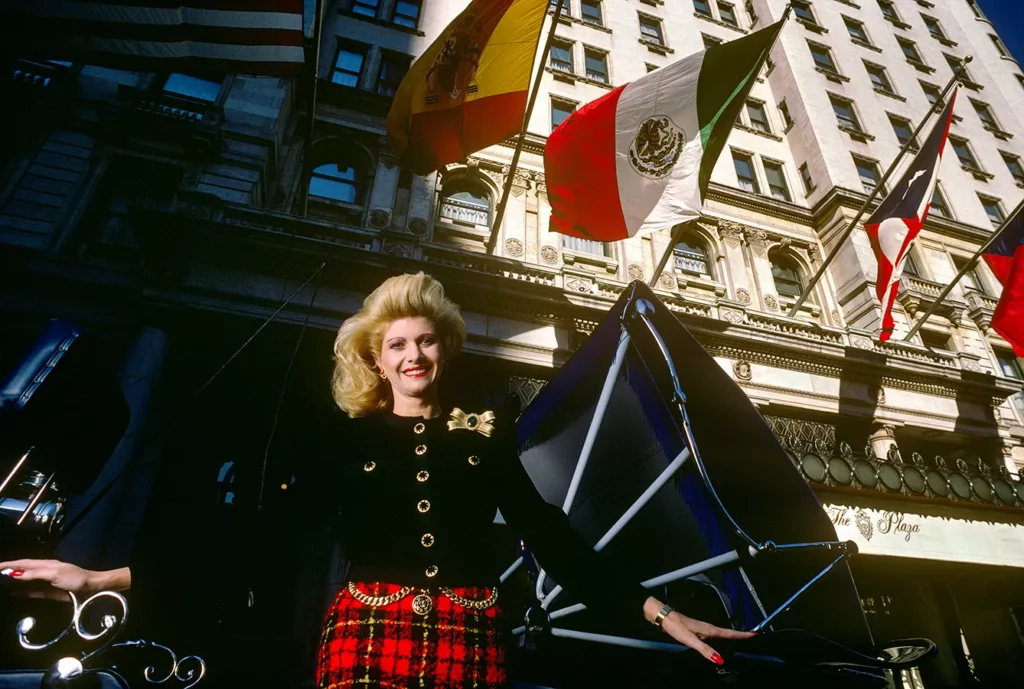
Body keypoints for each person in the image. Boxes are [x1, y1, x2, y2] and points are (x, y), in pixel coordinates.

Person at [2, 271, 751, 688]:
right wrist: (104, 575)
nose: (414, 353)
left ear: (445, 349)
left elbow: (552, 535)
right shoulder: (343, 440)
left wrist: (654, 609)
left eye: (427, 339)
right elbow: (262, 537)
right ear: (375, 356)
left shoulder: (484, 435)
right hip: (365, 635)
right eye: (397, 342)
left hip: (471, 638)